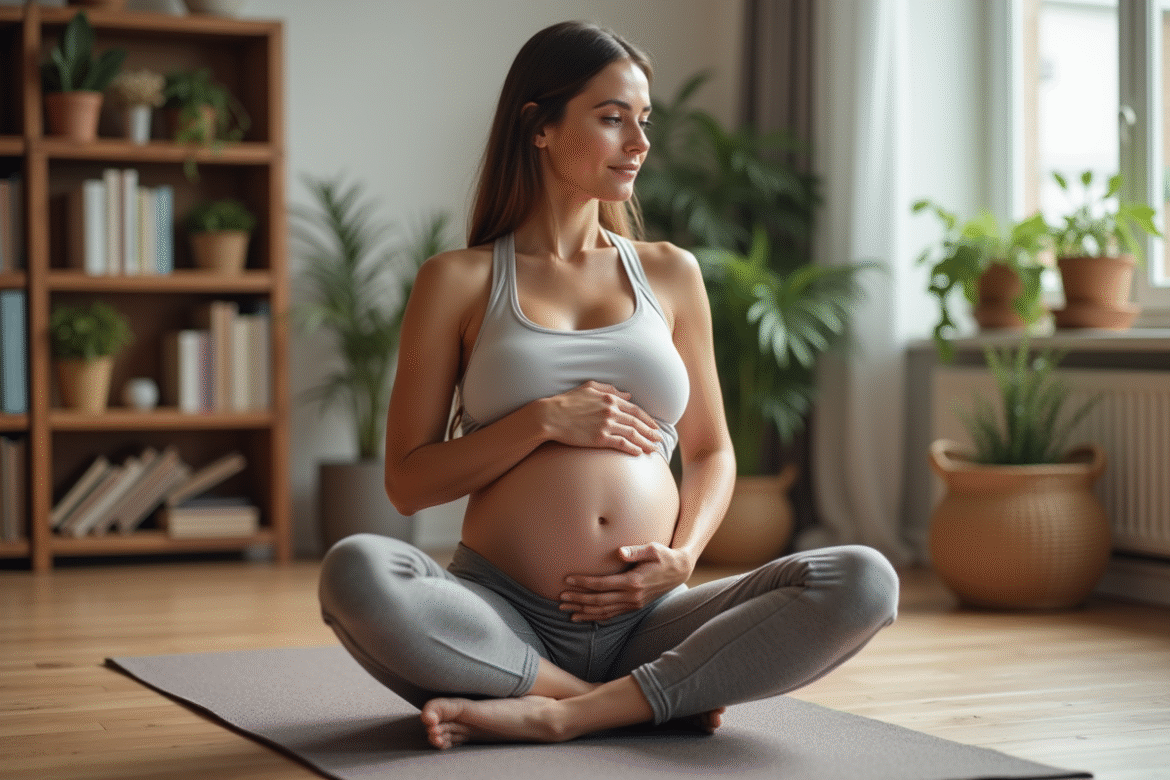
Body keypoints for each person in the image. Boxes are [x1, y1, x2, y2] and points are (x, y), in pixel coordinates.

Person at [318, 20, 898, 750]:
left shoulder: (671, 273)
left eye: (643, 121)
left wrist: (683, 557)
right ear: (539, 127)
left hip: (653, 620)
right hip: (498, 614)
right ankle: (619, 700)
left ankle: (561, 712)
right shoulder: (459, 281)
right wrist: (543, 420)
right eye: (612, 117)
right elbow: (407, 482)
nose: (640, 142)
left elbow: (712, 452)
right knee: (358, 572)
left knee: (865, 580)